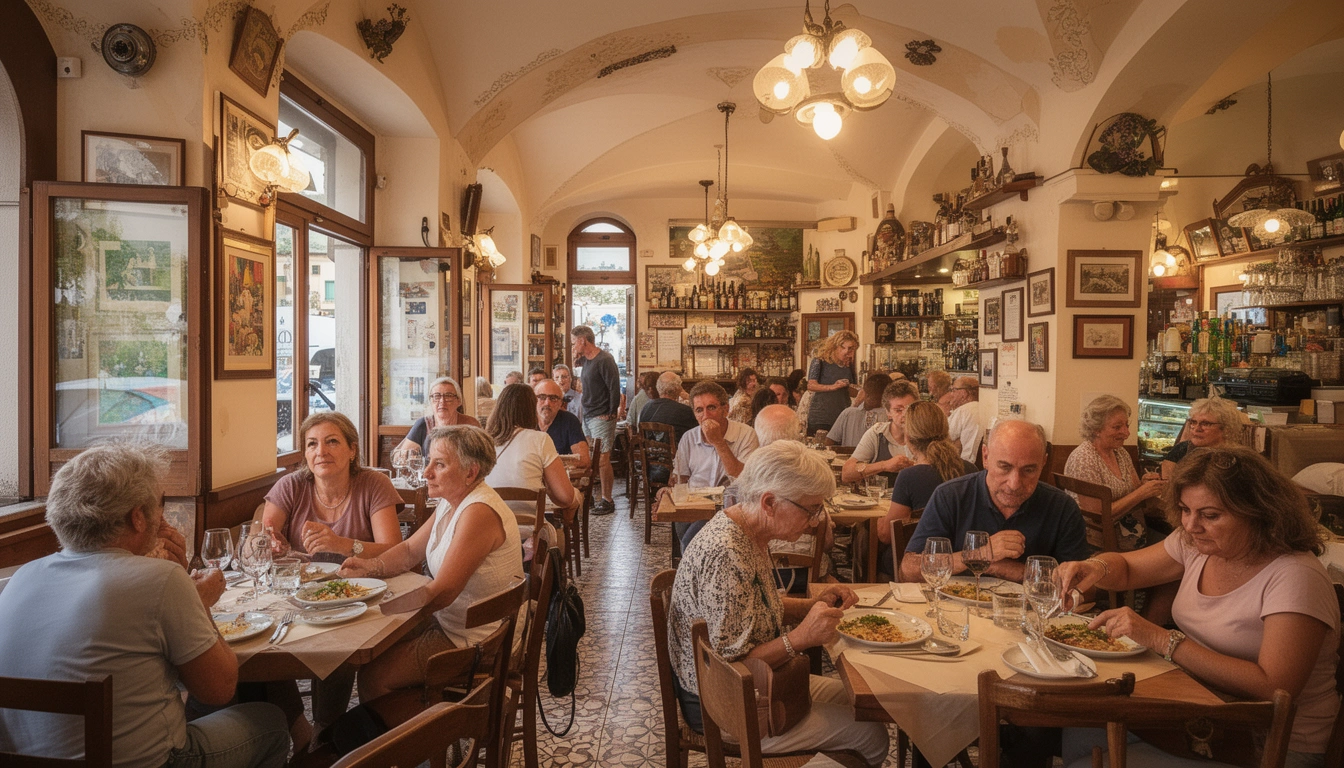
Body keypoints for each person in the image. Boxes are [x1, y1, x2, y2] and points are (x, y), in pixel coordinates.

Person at [0, 444, 291, 768]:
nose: (162, 517)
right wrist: (195, 597)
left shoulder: (21, 579)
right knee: (272, 723)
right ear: (138, 517)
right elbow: (219, 688)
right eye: (159, 504)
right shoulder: (161, 579)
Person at [1058, 445, 1339, 768]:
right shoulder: (1197, 545)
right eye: (1184, 510)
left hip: (1271, 743)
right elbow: (1128, 568)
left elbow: (1274, 686)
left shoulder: (1294, 575)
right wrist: (1096, 568)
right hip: (1204, 716)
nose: (1191, 525)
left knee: (1088, 760)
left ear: (1259, 512)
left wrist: (1163, 640)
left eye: (1210, 515)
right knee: (1080, 729)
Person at [666, 441, 889, 766]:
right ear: (769, 502)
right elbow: (732, 667)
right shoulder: (727, 554)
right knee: (872, 736)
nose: (815, 521)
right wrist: (800, 638)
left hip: (760, 683)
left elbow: (754, 609)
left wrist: (809, 604)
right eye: (811, 509)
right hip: (721, 703)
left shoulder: (750, 531)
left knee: (865, 706)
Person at [343, 426, 525, 702]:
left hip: (481, 641)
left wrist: (380, 611)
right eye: (429, 461)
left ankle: (424, 740)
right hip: (455, 624)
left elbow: (442, 593)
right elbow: (408, 550)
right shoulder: (452, 501)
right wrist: (370, 567)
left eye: (439, 464)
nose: (427, 472)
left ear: (470, 472)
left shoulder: (478, 512)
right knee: (376, 651)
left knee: (373, 677)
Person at [901, 420, 1090, 583]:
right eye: (1004, 467)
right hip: (956, 611)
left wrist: (1006, 568)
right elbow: (908, 570)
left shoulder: (1062, 508)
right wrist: (981, 554)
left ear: (1044, 462)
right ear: (986, 457)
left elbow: (1082, 585)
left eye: (1029, 470)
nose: (1014, 484)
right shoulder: (951, 495)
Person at [264, 411, 403, 558]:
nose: (321, 452)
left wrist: (341, 545)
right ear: (305, 454)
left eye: (332, 442)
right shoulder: (290, 486)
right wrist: (264, 545)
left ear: (352, 450)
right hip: (302, 579)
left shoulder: (375, 484)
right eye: (312, 444)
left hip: (363, 580)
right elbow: (258, 539)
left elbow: (394, 551)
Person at [877, 401, 977, 578]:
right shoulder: (972, 471)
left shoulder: (909, 477)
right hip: (964, 564)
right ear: (946, 432)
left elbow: (887, 536)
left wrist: (878, 522)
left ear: (908, 437)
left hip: (919, 566)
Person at [1064, 395, 1165, 551]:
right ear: (1096, 429)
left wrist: (1145, 484)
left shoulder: (1120, 452)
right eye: (1117, 427)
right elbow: (1096, 515)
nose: (1126, 433)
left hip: (1130, 530)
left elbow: (1135, 493)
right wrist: (1141, 493)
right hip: (1098, 541)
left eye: (1126, 425)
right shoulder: (1084, 459)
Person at [483, 383, 577, 519]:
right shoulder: (540, 439)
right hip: (529, 529)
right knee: (574, 499)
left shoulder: (484, 441)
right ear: (531, 409)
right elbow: (566, 497)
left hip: (492, 528)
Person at [571, 326, 622, 514]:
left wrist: (610, 412)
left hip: (602, 415)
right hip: (589, 414)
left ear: (583, 340)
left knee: (602, 459)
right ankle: (590, 495)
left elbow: (614, 387)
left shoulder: (605, 359)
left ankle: (607, 499)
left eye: (574, 341)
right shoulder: (586, 361)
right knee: (588, 457)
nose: (573, 345)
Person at [673, 382, 760, 489]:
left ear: (726, 409)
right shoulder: (688, 437)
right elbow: (680, 478)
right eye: (699, 410)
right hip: (695, 499)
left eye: (711, 408)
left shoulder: (746, 434)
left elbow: (744, 478)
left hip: (729, 501)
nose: (705, 416)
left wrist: (718, 442)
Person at [840, 380, 919, 486]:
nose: (905, 415)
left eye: (909, 409)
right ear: (888, 412)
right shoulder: (877, 433)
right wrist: (884, 465)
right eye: (898, 410)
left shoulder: (927, 435)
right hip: (881, 501)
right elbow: (846, 474)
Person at [1161, 396, 1244, 478]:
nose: (1197, 429)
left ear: (1226, 428)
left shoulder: (1235, 460)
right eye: (1193, 422)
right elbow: (1167, 481)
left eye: (1206, 424)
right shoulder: (1181, 449)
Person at [397, 376, 481, 455]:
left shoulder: (470, 424)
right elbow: (399, 457)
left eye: (448, 396)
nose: (442, 401)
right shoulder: (423, 424)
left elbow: (482, 458)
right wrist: (409, 456)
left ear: (458, 401)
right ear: (430, 401)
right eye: (436, 396)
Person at [805, 330, 859, 436]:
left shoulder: (848, 365)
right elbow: (811, 385)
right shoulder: (819, 361)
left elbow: (851, 391)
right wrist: (833, 387)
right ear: (834, 346)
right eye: (843, 347)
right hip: (821, 416)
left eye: (850, 348)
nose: (846, 352)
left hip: (842, 414)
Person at [536, 378, 591, 474]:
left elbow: (584, 460)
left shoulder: (569, 421)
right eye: (542, 397)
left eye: (553, 398)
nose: (547, 403)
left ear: (561, 402)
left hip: (558, 477)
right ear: (533, 400)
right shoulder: (524, 421)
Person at [825, 372, 892, 447]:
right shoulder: (849, 413)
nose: (869, 399)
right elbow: (829, 441)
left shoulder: (889, 416)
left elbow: (829, 441)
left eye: (875, 398)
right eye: (868, 395)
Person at [640, 372, 699, 446]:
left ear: (658, 387)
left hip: (649, 456)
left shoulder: (646, 408)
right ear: (678, 389)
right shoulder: (685, 411)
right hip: (678, 456)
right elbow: (699, 434)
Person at [943, 376, 984, 462]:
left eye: (953, 390)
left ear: (964, 393)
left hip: (964, 464)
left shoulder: (964, 410)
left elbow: (943, 438)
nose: (951, 394)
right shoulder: (984, 407)